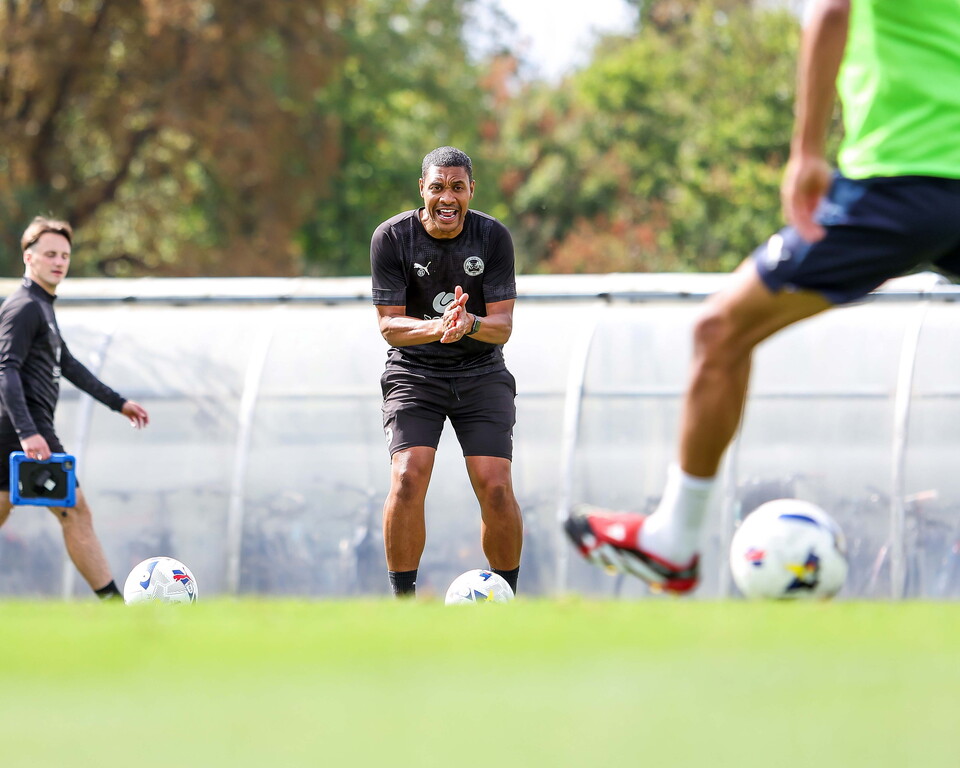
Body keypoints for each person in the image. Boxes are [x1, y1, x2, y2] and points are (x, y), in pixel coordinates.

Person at [565, 0, 960, 593]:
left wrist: (805, 152)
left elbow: (830, 11)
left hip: (900, 180)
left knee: (720, 330)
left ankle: (673, 539)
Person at [371, 146, 522, 598]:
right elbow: (389, 327)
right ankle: (403, 605)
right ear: (422, 189)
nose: (448, 197)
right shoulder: (392, 238)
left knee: (495, 486)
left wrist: (470, 323)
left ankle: (507, 601)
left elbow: (503, 328)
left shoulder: (493, 237)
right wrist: (438, 327)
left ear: (472, 190)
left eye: (458, 187)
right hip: (414, 373)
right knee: (407, 476)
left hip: (481, 372)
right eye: (438, 186)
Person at [0, 216, 150, 600]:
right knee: (75, 510)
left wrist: (118, 403)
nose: (59, 262)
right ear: (28, 257)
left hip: (20, 429)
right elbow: (6, 371)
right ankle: (114, 603)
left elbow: (67, 365)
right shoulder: (24, 307)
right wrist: (27, 432)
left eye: (65, 255)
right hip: (21, 429)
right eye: (50, 253)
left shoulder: (42, 308)